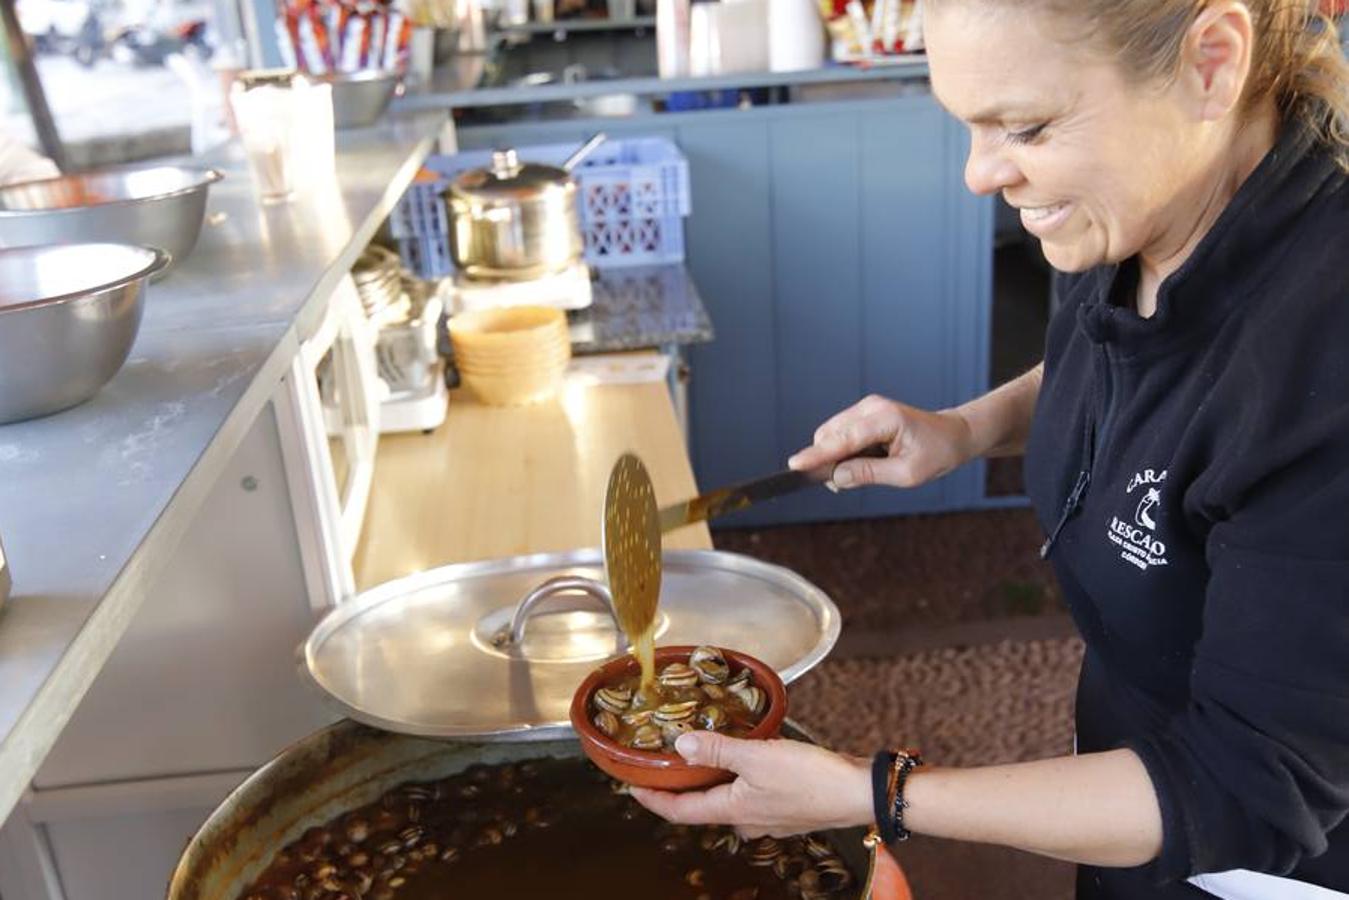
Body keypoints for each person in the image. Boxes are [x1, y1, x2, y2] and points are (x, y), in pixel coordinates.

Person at [629, 1, 1349, 897]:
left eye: (1026, 127)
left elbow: (1248, 784)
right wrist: (967, 429)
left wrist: (877, 793)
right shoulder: (1137, 207)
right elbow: (1123, 364)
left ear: (1211, 63)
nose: (979, 174)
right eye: (967, 124)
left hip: (1258, 859)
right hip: (1124, 761)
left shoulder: (1321, 356)